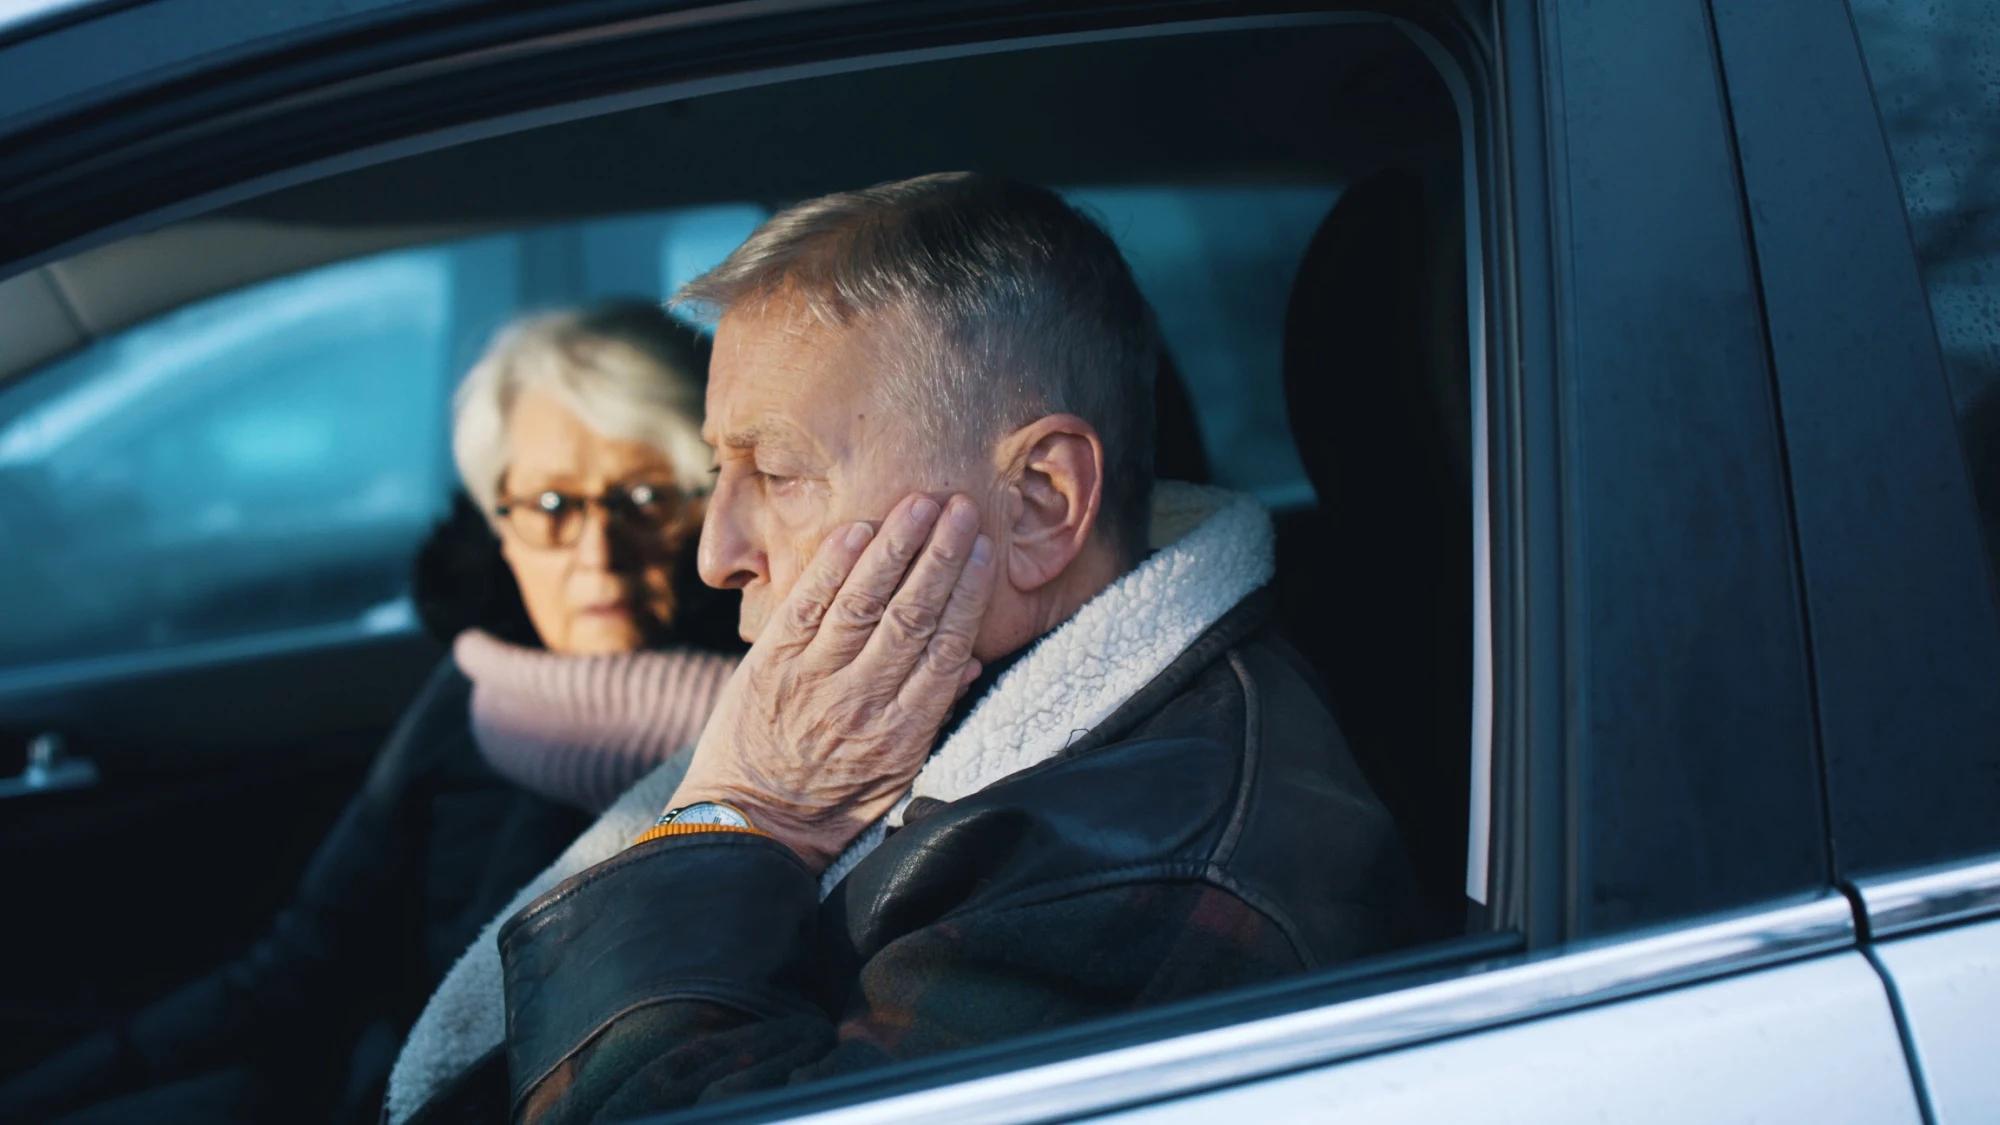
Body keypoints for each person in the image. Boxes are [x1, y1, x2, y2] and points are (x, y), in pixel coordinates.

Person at [399, 174, 1429, 1124]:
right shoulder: (1008, 742)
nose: (717, 552)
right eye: (719, 469)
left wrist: (743, 818)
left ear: (1037, 502)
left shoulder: (1140, 879)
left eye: (781, 473)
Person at [0, 300, 740, 1124]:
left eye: (644, 496)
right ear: (501, 520)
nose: (599, 553)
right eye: (554, 506)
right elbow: (303, 967)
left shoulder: (777, 732)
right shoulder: (479, 683)